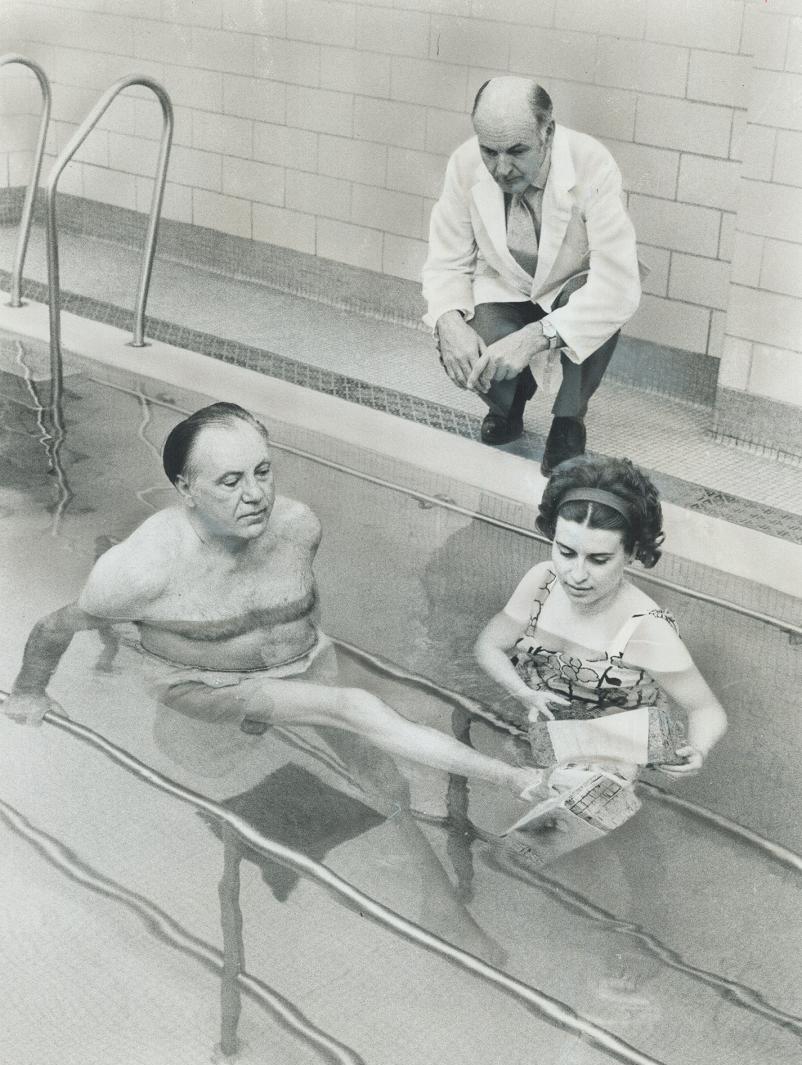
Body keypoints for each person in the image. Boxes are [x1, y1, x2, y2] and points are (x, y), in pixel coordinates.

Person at [2, 401, 543, 818]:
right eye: (231, 481)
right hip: (198, 684)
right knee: (355, 707)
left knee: (379, 769)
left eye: (263, 472)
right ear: (185, 489)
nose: (256, 494)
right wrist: (28, 692)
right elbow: (53, 626)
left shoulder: (298, 525)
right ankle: (517, 780)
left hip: (305, 663)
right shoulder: (139, 570)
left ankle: (424, 863)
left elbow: (281, 610)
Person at [474, 453, 727, 840]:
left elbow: (706, 709)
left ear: (631, 554)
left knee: (531, 849)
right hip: (541, 736)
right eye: (565, 551)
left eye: (599, 559)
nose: (575, 574)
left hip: (610, 763)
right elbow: (489, 646)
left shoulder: (647, 629)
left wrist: (698, 750)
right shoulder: (541, 582)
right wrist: (522, 691)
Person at [422, 76, 642, 473]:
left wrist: (533, 338)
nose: (501, 169)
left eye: (517, 151)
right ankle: (509, 404)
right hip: (508, 285)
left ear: (548, 132)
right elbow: (445, 259)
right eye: (489, 151)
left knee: (590, 304)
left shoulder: (592, 163)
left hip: (571, 288)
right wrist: (447, 321)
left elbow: (619, 285)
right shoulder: (464, 163)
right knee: (463, 331)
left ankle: (568, 420)